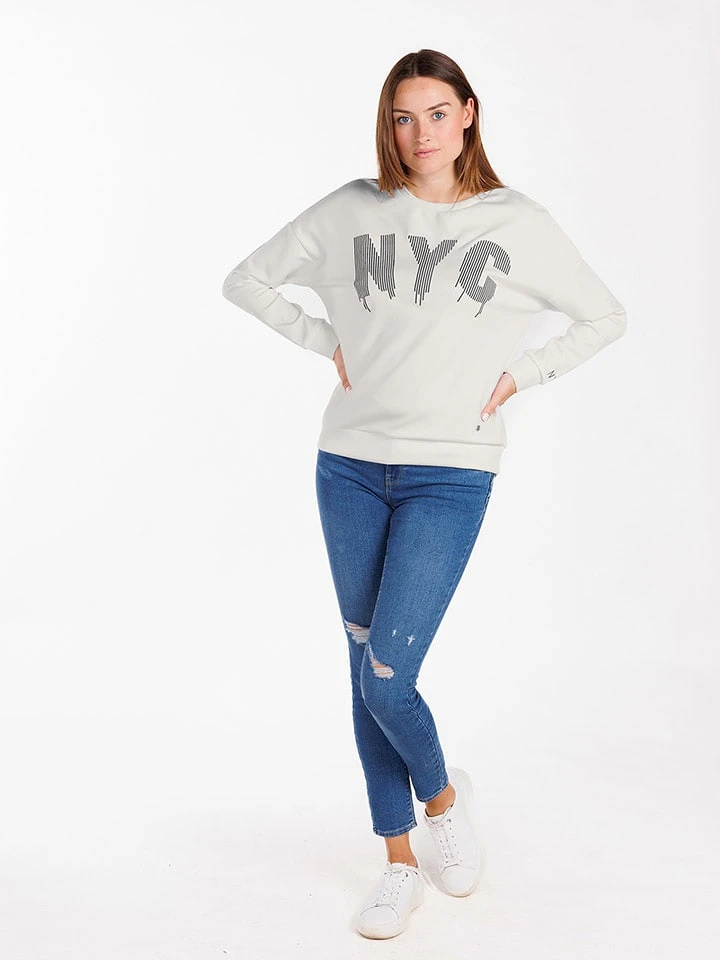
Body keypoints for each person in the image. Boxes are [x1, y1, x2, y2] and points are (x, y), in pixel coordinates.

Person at [221, 48, 627, 940]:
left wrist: (523, 375)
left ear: (469, 113)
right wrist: (323, 341)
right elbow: (245, 279)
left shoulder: (517, 222)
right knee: (362, 668)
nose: (420, 134)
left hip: (451, 469)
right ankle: (400, 859)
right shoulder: (353, 209)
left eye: (437, 113)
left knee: (387, 677)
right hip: (349, 466)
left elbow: (606, 315)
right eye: (403, 118)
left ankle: (443, 799)